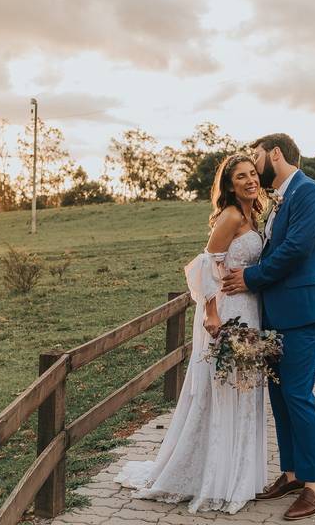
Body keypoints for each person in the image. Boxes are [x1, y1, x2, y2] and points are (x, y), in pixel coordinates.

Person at [114, 154, 267, 514]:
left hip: (250, 308)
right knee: (224, 389)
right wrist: (212, 314)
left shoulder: (252, 215)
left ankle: (239, 474)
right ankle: (213, 476)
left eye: (252, 174)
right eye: (241, 177)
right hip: (228, 311)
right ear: (229, 186)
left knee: (244, 390)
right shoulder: (231, 216)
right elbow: (205, 265)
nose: (249, 181)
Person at [222, 133, 315, 521]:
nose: (255, 166)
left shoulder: (309, 191)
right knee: (279, 395)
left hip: (303, 310)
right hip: (274, 312)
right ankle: (290, 473)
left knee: (299, 396)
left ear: (275, 153)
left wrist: (251, 278)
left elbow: (295, 250)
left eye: (257, 157)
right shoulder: (277, 198)